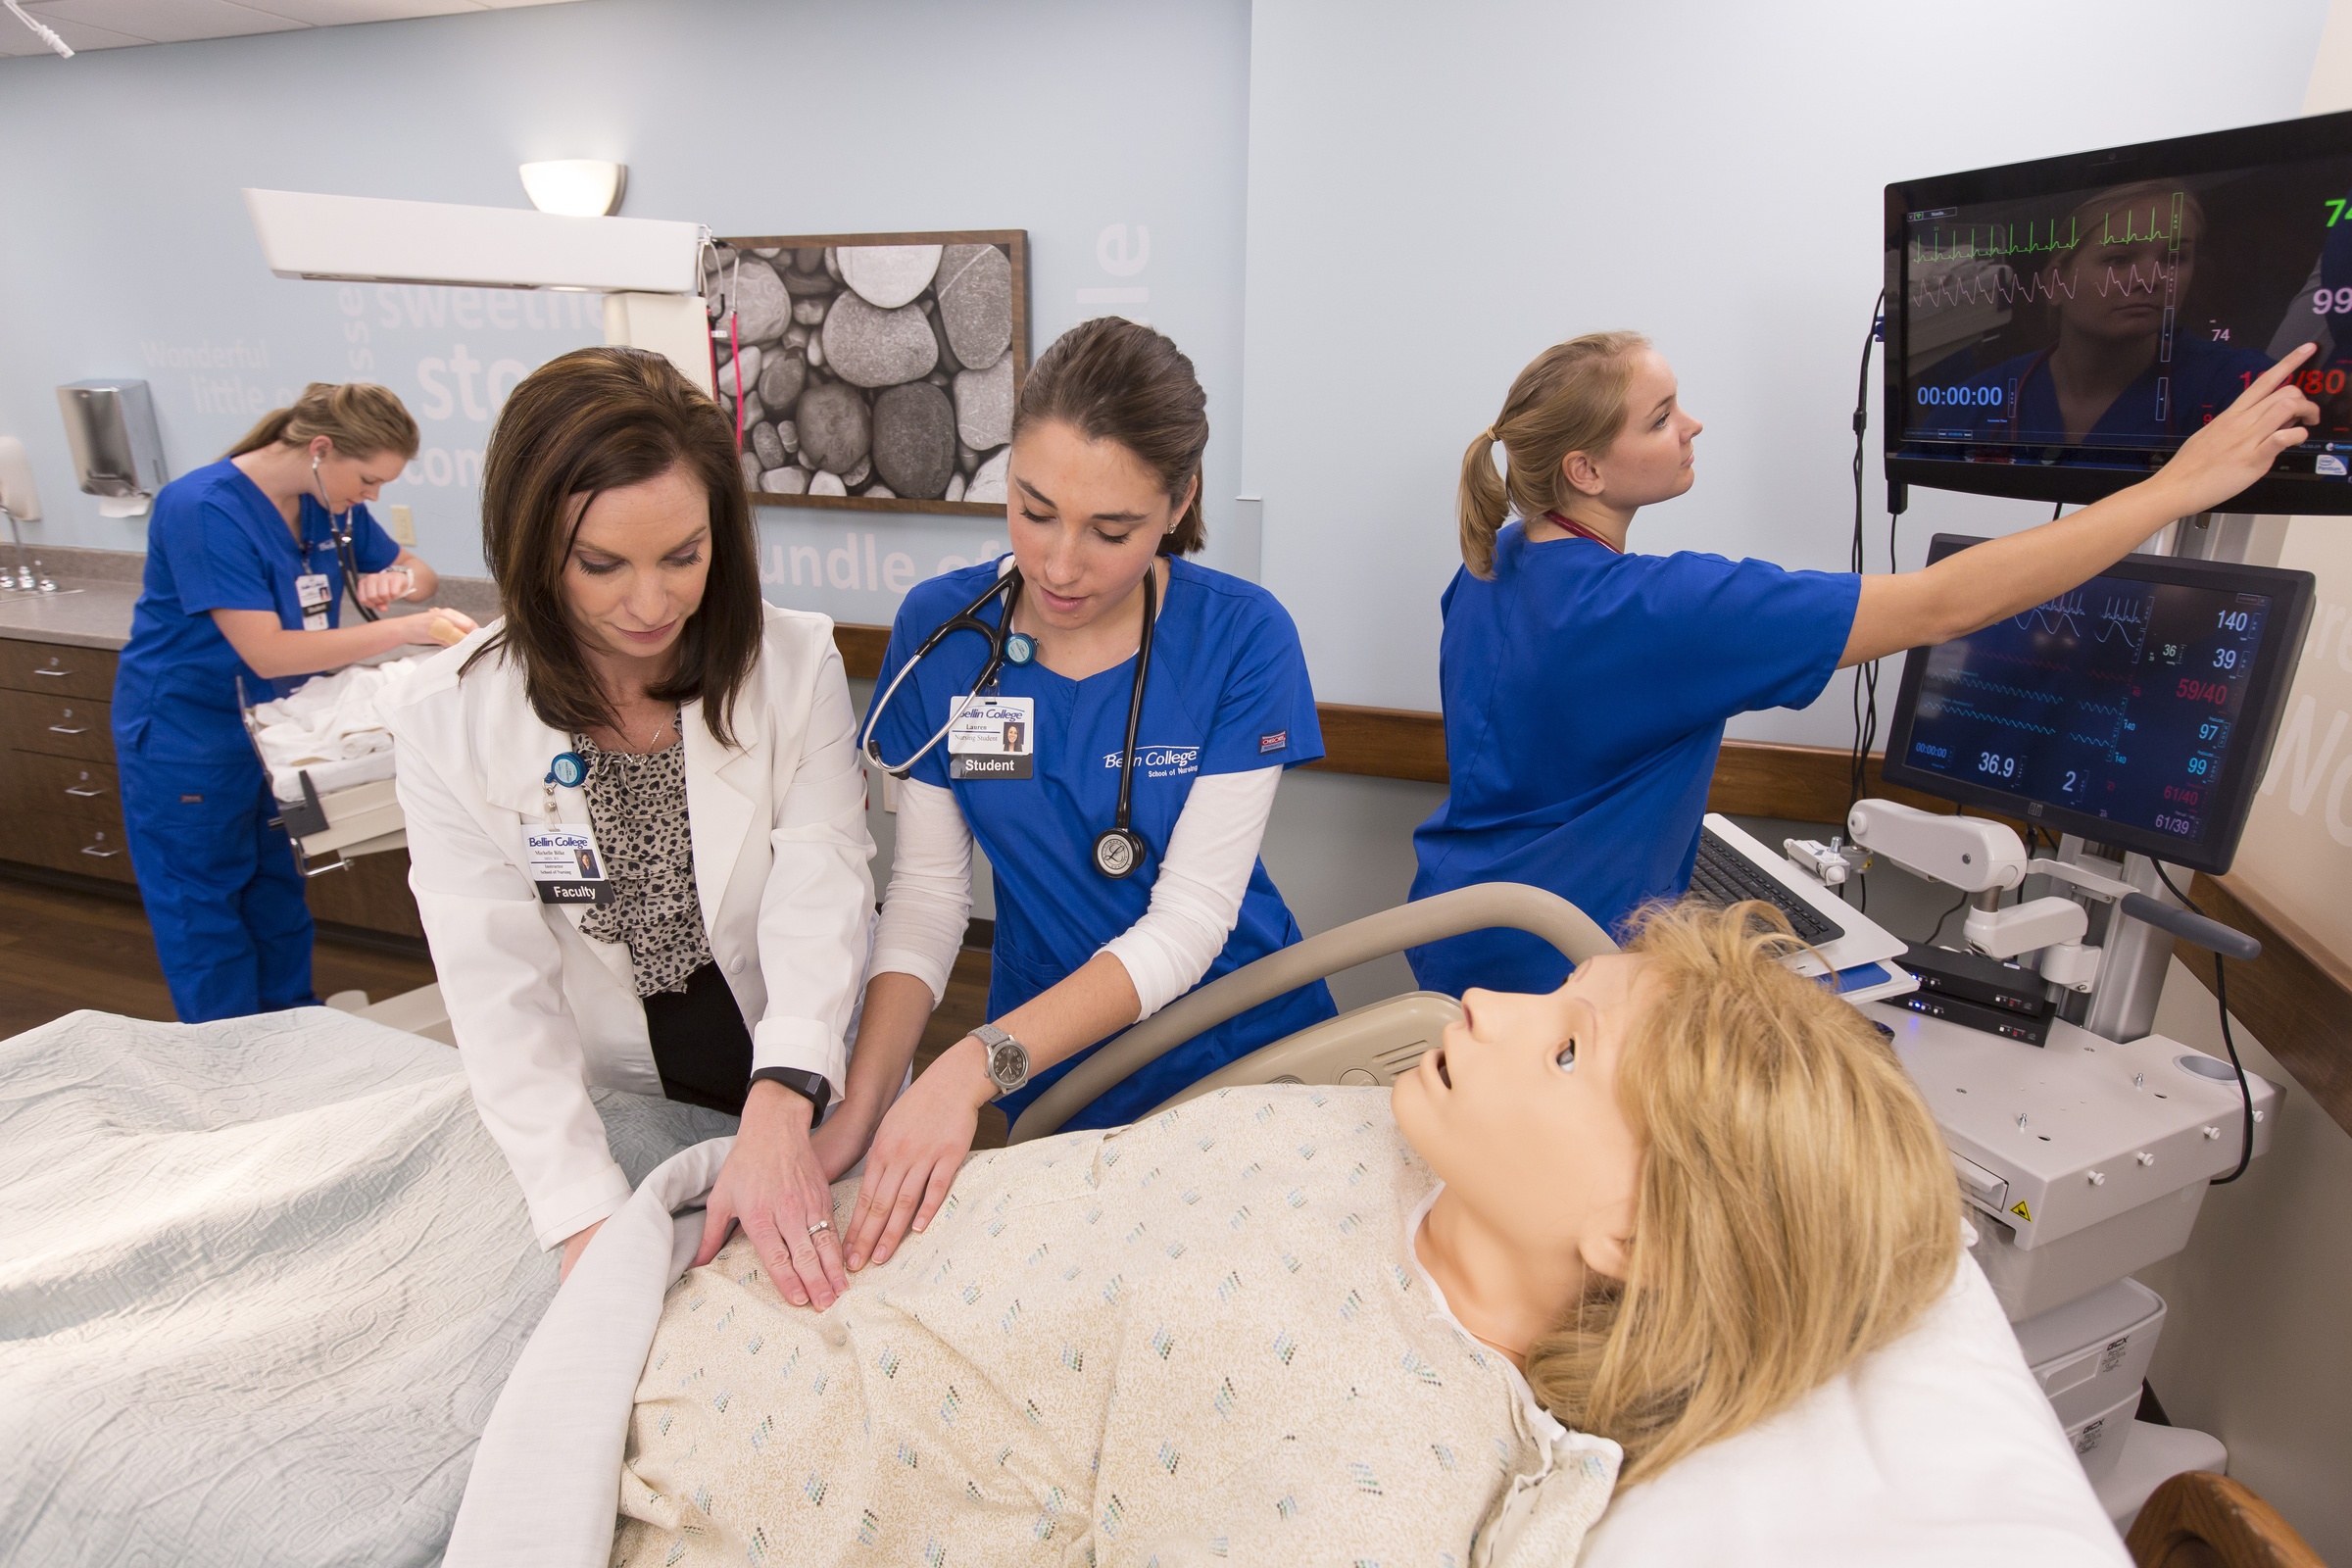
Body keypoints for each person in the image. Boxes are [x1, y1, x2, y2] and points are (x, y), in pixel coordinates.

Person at [606, 901, 1962, 1565]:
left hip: (682, 1446)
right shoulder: (1393, 1140)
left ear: (1640, 1234)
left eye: (1564, 1053)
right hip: (722, 1268)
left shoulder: (1364, 1471)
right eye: (1556, 997)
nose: (1484, 1002)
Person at [1408, 331, 2319, 997]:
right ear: (1587, 471)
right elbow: (1944, 603)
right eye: (1659, 417)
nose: (1693, 423)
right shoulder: (1659, 610)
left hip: (1460, 928)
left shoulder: (1495, 564)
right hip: (1556, 971)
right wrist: (2179, 486)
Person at [836, 318, 1337, 1275]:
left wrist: (972, 1064)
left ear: (1177, 502)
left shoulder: (1241, 639)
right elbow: (932, 897)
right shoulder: (945, 637)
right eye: (1033, 510)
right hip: (1054, 1065)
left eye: (1111, 531)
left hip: (1247, 1052)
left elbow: (1190, 922)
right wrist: (869, 1102)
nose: (1060, 564)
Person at [384, 346, 876, 1303]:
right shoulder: (450, 720)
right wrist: (582, 1213)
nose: (650, 604)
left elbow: (823, 887)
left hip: (788, 1049)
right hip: (614, 1086)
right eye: (602, 564)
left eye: (682, 557)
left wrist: (783, 1101)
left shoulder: (790, 662)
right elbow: (499, 992)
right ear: (531, 546)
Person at [111, 381, 474, 1023]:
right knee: (206, 909)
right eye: (367, 480)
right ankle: (235, 1063)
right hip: (188, 737)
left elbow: (418, 572)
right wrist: (409, 628)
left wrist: (402, 580)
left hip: (277, 731)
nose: (372, 497)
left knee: (276, 895)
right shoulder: (201, 507)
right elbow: (268, 654)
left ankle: (293, 1037)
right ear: (321, 449)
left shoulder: (323, 503)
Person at [1925, 181, 2275, 446]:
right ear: (2057, 282)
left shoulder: (2240, 386)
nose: (2152, 280)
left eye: (2174, 259)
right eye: (2118, 260)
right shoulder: (1972, 405)